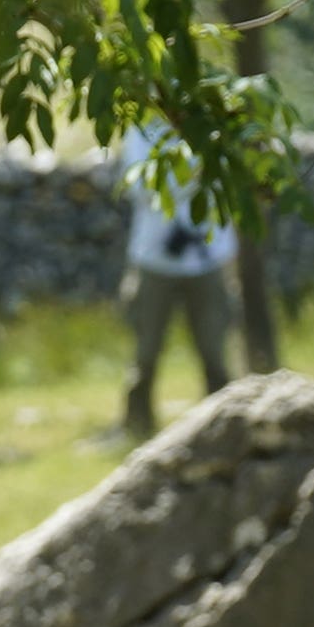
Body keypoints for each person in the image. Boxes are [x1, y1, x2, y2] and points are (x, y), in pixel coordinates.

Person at [115, 122, 242, 441]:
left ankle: (226, 427)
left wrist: (176, 176)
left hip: (208, 256)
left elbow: (226, 174)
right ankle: (136, 427)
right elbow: (142, 183)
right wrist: (192, 174)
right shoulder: (142, 129)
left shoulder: (212, 120)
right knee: (145, 353)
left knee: (215, 353)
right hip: (154, 258)